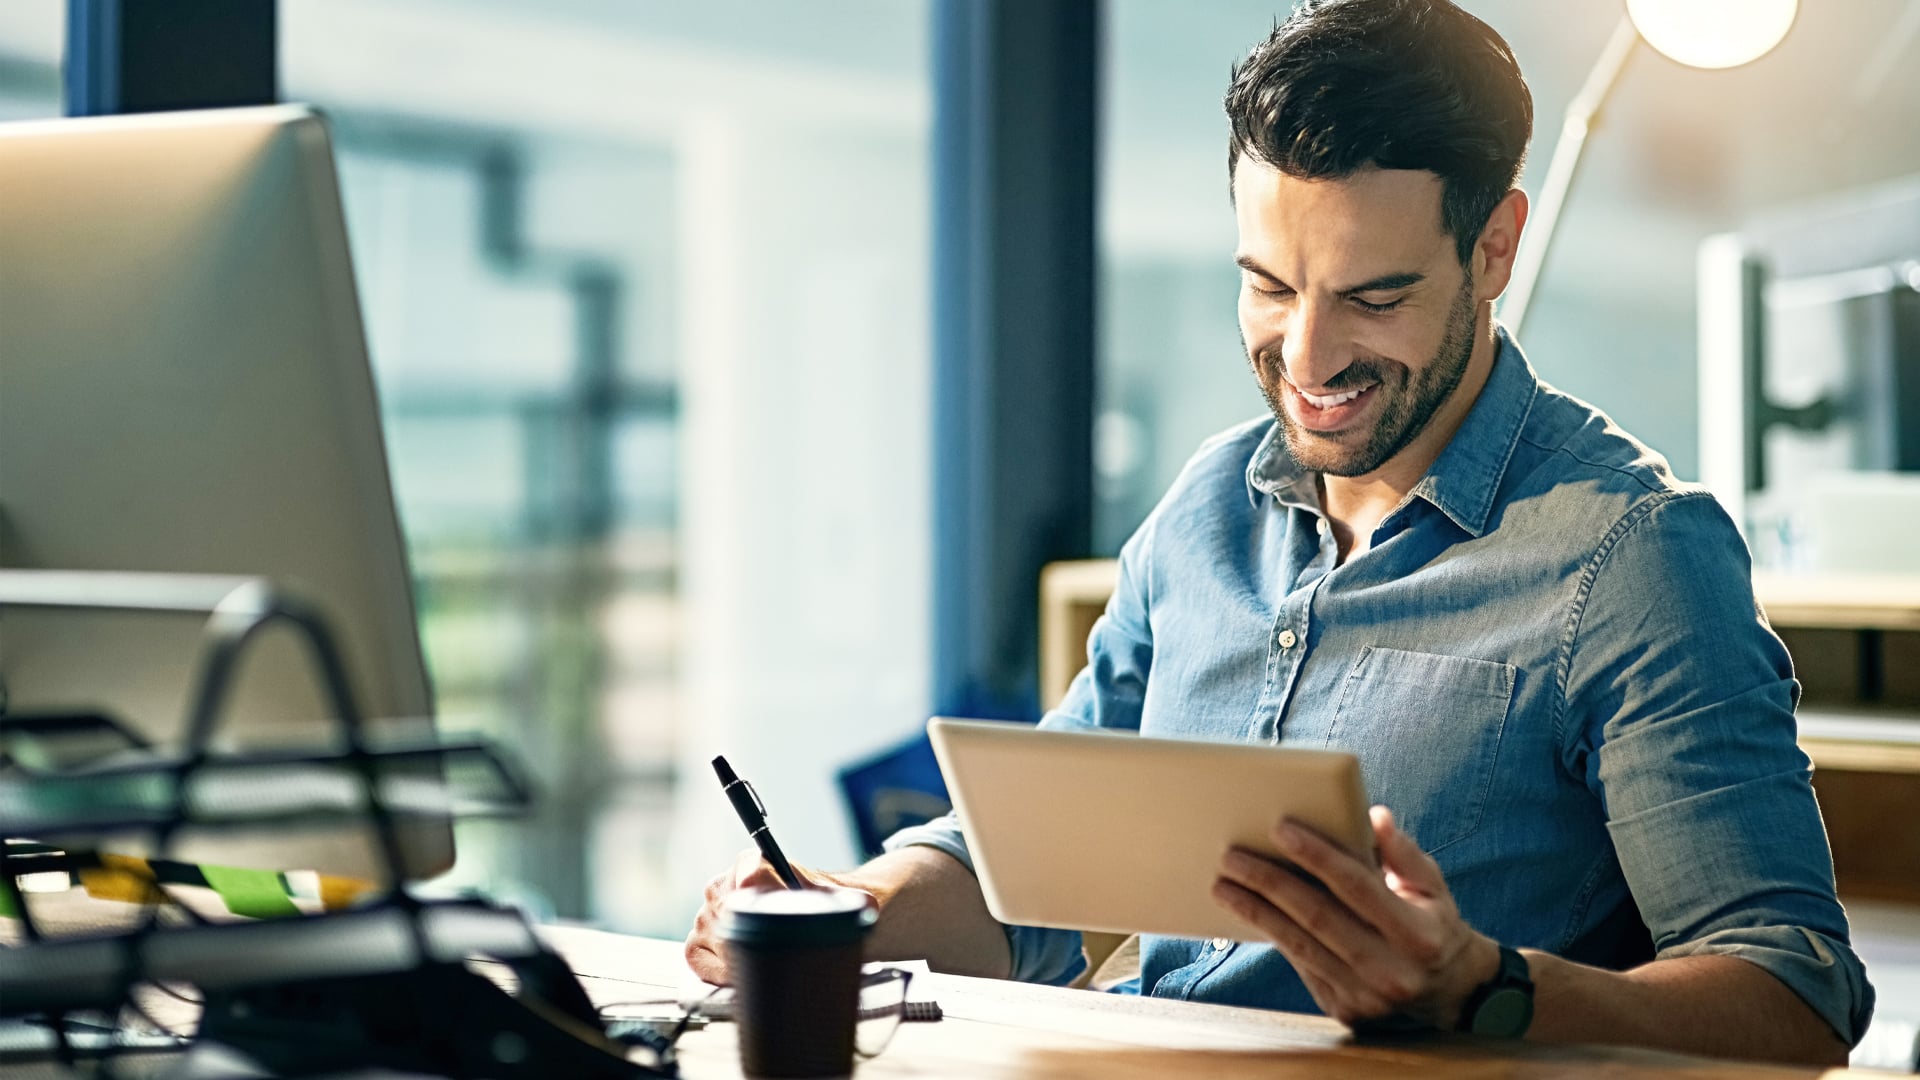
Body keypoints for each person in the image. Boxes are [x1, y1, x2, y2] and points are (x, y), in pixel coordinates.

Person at [686, 0, 1872, 1064]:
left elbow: (1796, 999)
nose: (1305, 361)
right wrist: (846, 906)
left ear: (1495, 248)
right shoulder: (1203, 511)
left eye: (1373, 296)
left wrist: (1484, 990)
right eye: (1269, 284)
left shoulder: (1634, 559)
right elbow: (1024, 878)